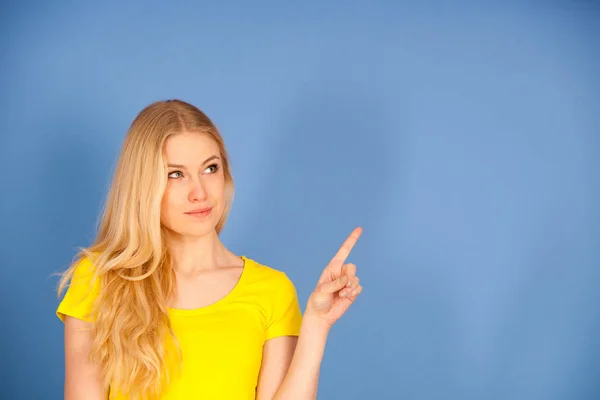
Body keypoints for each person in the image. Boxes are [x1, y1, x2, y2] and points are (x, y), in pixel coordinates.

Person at [56, 99, 363, 400]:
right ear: (143, 185)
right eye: (175, 174)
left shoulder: (272, 291)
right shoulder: (98, 281)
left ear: (225, 175)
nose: (199, 193)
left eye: (210, 168)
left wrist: (317, 326)